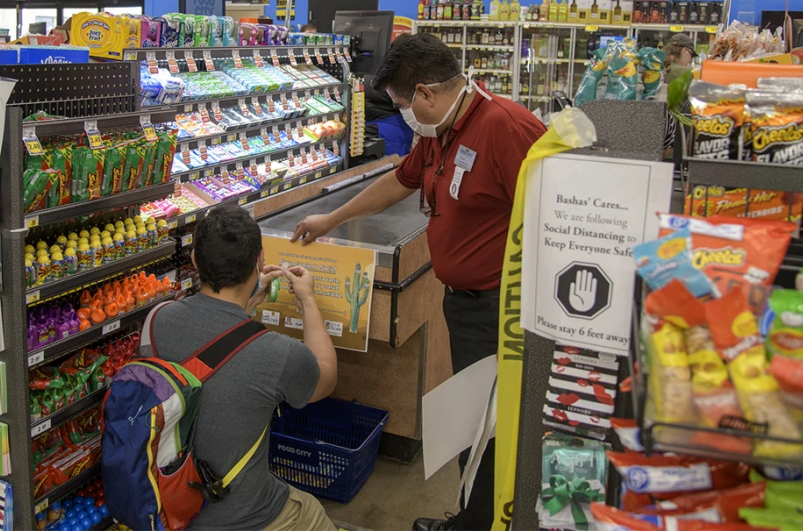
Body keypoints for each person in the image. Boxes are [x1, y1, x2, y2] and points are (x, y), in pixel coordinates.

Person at [291, 33, 546, 531]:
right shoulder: (440, 130)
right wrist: (332, 219)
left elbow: (551, 215)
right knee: (473, 422)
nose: (406, 115)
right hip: (464, 306)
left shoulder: (507, 128)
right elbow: (400, 181)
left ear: (428, 93)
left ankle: (484, 522)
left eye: (406, 104)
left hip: (501, 310)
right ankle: (472, 517)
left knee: (493, 427)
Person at [143, 204, 338, 531]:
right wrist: (307, 300)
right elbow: (326, 376)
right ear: (259, 260)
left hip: (170, 509)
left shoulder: (156, 321)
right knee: (312, 512)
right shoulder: (280, 353)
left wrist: (246, 304)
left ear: (194, 261)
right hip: (248, 518)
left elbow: (210, 341)